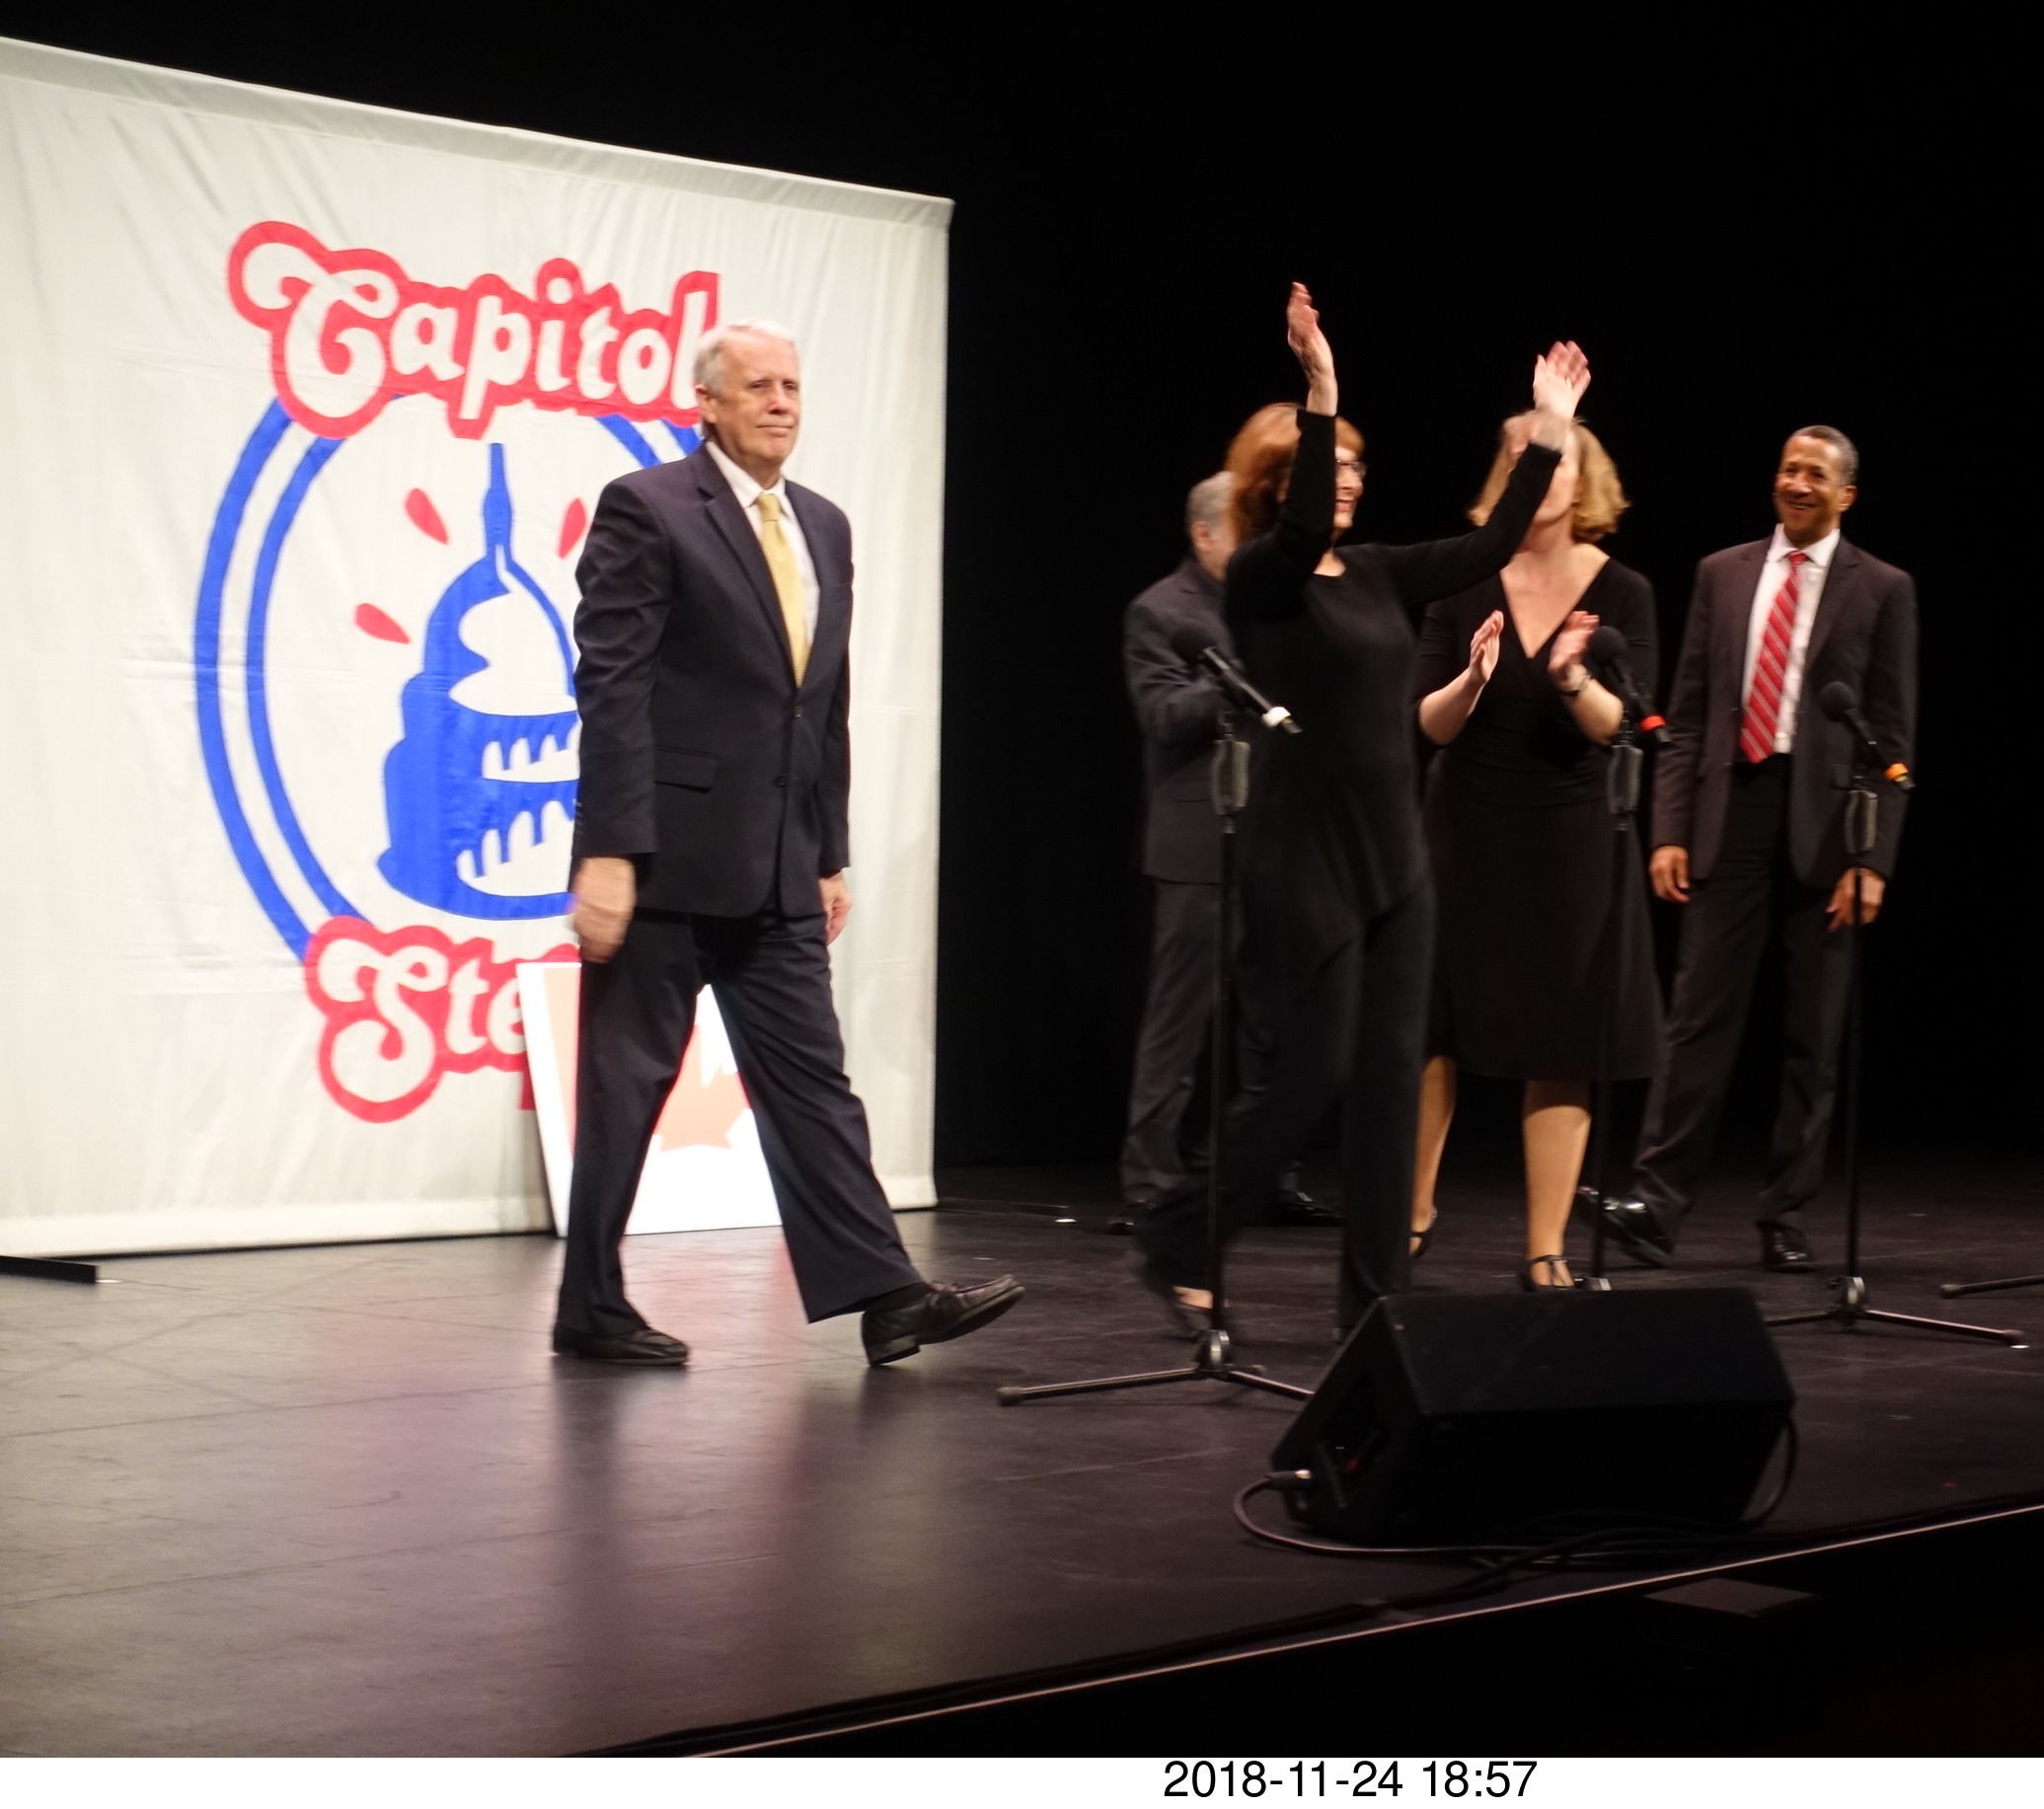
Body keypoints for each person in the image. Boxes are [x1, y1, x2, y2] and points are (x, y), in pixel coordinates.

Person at [559, 318, 1022, 1367]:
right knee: (627, 1085)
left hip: (777, 861)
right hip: (666, 857)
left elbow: (823, 700)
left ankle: (886, 1296)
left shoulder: (823, 523)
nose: (780, 402)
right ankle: (589, 1304)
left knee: (814, 1080)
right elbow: (612, 685)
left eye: (792, 387)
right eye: (758, 386)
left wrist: (826, 848)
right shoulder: (649, 507)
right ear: (707, 403)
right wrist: (609, 849)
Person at [1130, 284, 1589, 1332]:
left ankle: (1377, 1305)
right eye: (1326, 467)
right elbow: (1295, 535)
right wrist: (1322, 388)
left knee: (1389, 1085)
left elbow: (1491, 543)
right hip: (1304, 863)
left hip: (1394, 864)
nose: (1346, 482)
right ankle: (1180, 1233)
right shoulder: (1263, 581)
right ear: (1277, 483)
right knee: (1310, 1075)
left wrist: (1549, 431)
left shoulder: (1382, 572)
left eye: (1353, 469)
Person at [1584, 426, 1915, 1272]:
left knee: (1813, 1033)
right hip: (1730, 810)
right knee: (1696, 1018)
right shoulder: (1722, 573)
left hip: (1829, 826)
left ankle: (1787, 1215)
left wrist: (1871, 860)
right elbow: (1688, 710)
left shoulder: (1883, 587)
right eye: (1788, 468)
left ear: (1846, 495)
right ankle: (1655, 1207)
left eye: (1816, 474)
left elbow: (1890, 737)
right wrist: (1670, 829)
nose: (1796, 483)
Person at [1409, 420, 1660, 1291]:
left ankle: (1544, 1246)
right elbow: (1427, 722)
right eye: (1525, 457)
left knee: (1562, 1033)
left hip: (1571, 837)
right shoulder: (1462, 577)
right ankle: (1409, 1215)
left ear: (1586, 479)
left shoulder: (1624, 590)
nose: (1542, 471)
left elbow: (1621, 727)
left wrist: (1570, 679)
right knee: (1430, 1024)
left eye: (1558, 459)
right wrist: (1471, 682)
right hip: (1463, 828)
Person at [1116, 474, 1336, 1234]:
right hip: (1197, 841)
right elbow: (1163, 713)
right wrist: (1245, 686)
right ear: (1205, 534)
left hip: (1281, 836)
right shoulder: (1161, 610)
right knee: (1179, 1022)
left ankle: (1264, 1174)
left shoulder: (1276, 601)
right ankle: (1151, 1183)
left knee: (1274, 1019)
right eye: (1247, 530)